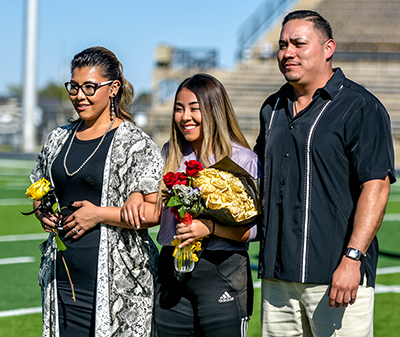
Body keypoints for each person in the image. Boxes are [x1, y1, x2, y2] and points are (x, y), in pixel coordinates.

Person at [254, 10, 396, 337]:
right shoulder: (271, 108)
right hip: (277, 279)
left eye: (299, 44)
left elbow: (376, 186)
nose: (287, 52)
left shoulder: (360, 106)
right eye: (282, 45)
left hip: (337, 277)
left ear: (328, 48)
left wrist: (352, 258)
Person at [30, 46, 163, 337]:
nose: (80, 96)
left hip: (121, 283)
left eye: (90, 87)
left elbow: (154, 212)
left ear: (113, 88)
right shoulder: (58, 138)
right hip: (62, 279)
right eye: (74, 87)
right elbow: (38, 186)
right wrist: (43, 212)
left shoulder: (135, 143)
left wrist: (99, 215)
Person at [122, 73, 262, 337]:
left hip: (222, 270)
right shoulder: (168, 154)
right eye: (179, 108)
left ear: (214, 110)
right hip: (171, 271)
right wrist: (137, 194)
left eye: (194, 108)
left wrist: (210, 227)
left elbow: (257, 230)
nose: (185, 117)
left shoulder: (242, 159)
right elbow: (150, 203)